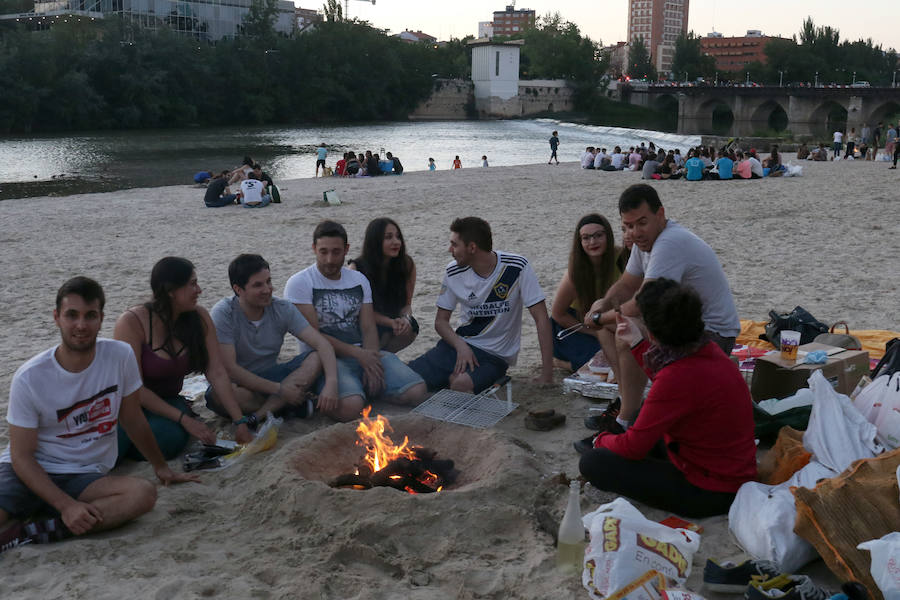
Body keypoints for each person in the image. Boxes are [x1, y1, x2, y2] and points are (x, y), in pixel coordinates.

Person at [0, 277, 198, 551]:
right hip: (31, 469)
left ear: (101, 318)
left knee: (141, 494)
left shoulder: (119, 356)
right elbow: (22, 456)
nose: (81, 325)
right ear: (57, 317)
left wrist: (161, 467)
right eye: (72, 315)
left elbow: (132, 420)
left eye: (90, 316)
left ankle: (32, 532)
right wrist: (66, 505)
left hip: (83, 474)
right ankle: (58, 515)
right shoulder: (30, 377)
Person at [577, 279, 756, 518]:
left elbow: (633, 447)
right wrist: (637, 343)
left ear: (652, 331)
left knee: (593, 463)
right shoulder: (706, 349)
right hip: (727, 466)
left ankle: (609, 442)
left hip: (712, 490)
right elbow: (671, 385)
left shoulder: (677, 376)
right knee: (642, 417)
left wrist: (602, 440)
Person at [582, 184, 740, 433]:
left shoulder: (670, 242)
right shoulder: (643, 243)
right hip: (681, 329)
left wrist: (601, 317)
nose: (635, 232)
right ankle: (626, 400)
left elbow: (641, 303)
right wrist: (602, 306)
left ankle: (624, 422)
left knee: (627, 330)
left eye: (642, 223)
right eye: (629, 225)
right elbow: (625, 284)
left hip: (712, 337)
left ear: (661, 214)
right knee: (606, 320)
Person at [283, 221, 426, 422]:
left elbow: (367, 327)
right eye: (323, 252)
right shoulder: (300, 283)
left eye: (336, 252)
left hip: (361, 351)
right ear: (314, 248)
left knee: (417, 392)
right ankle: (340, 394)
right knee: (351, 408)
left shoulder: (358, 280)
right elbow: (314, 336)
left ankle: (361, 389)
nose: (330, 259)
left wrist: (372, 359)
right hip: (326, 359)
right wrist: (360, 355)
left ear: (346, 250)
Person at [115, 257, 254, 463]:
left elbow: (216, 372)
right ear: (170, 290)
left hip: (170, 401)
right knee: (118, 436)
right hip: (128, 403)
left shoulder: (198, 318)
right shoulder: (132, 322)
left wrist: (239, 421)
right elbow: (134, 389)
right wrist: (184, 421)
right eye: (192, 284)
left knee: (168, 440)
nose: (199, 290)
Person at [408, 217, 554, 394]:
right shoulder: (453, 271)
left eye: (454, 244)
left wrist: (547, 373)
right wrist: (461, 346)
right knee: (406, 381)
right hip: (458, 346)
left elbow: (541, 319)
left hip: (494, 357)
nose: (450, 250)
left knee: (460, 385)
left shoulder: (516, 267)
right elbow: (441, 322)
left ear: (472, 247)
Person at [209, 254, 339, 422]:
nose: (267, 289)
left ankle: (258, 417)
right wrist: (280, 390)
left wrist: (332, 383)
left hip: (273, 374)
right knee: (218, 394)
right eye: (258, 285)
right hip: (242, 383)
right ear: (238, 289)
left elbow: (323, 345)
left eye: (268, 281)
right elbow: (230, 369)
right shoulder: (224, 313)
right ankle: (286, 406)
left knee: (316, 357)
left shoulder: (282, 308)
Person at [550, 214, 623, 373]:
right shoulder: (575, 273)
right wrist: (594, 332)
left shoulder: (621, 257)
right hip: (573, 325)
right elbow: (557, 314)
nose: (592, 242)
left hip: (606, 318)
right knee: (600, 358)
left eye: (598, 235)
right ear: (580, 242)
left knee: (625, 351)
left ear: (608, 236)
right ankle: (560, 363)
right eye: (586, 238)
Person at [348, 218, 419, 353]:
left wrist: (405, 318)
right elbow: (360, 313)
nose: (396, 242)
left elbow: (407, 305)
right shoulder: (356, 269)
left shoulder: (406, 264)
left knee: (410, 327)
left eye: (398, 237)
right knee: (383, 333)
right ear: (375, 241)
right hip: (363, 326)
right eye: (388, 237)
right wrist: (390, 322)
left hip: (392, 323)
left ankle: (384, 357)